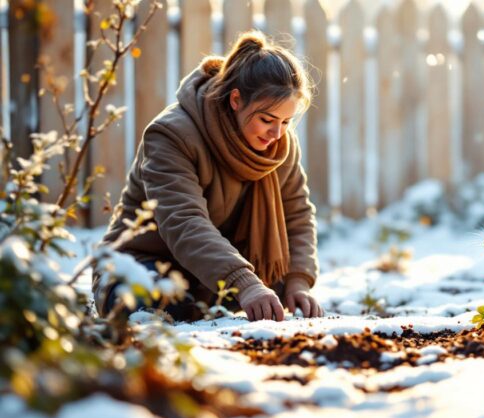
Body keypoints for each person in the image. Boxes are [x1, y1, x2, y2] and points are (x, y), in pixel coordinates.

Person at [92, 31, 323, 321]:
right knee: (158, 305)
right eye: (267, 120)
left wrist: (298, 280)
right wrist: (244, 282)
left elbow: (297, 214)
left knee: (275, 298)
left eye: (286, 122)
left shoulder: (279, 146)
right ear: (236, 100)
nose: (277, 134)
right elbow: (184, 222)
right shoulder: (171, 135)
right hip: (144, 265)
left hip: (214, 278)